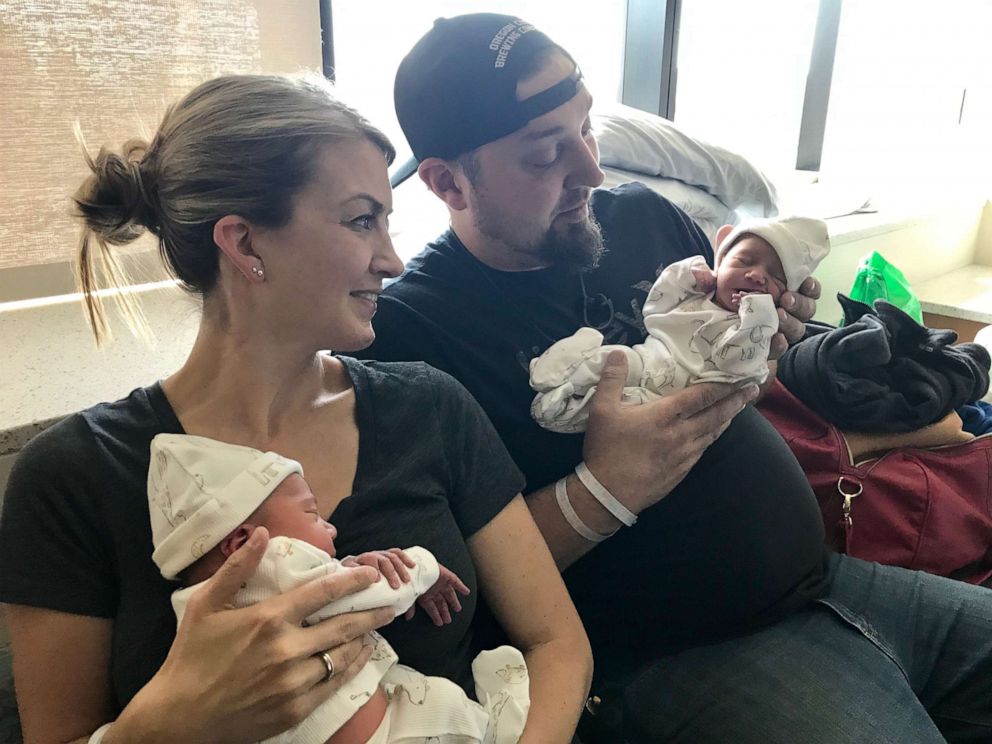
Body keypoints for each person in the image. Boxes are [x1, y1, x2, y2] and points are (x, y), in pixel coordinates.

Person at [358, 13, 992, 743]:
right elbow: (443, 592)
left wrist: (780, 345)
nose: (592, 170)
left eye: (587, 128)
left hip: (829, 580)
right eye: (545, 155)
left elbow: (745, 370)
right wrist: (604, 491)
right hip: (677, 656)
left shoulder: (644, 220)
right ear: (447, 182)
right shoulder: (408, 339)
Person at [0, 73, 590, 744]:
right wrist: (168, 723)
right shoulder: (74, 478)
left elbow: (555, 643)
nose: (393, 260)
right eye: (361, 219)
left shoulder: (430, 408)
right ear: (244, 244)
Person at [146, 432, 529, 744]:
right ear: (243, 543)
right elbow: (375, 595)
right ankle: (497, 724)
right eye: (312, 514)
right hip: (387, 734)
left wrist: (343, 566)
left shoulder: (190, 609)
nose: (332, 529)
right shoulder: (276, 559)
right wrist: (423, 568)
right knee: (446, 705)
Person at [529, 215, 830, 432]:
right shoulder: (693, 299)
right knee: (609, 359)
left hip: (672, 400)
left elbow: (737, 365)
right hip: (646, 360)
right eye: (744, 261)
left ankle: (558, 409)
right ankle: (555, 377)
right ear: (720, 261)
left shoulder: (750, 332)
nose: (756, 275)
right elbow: (656, 307)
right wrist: (687, 274)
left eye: (775, 277)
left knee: (609, 412)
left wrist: (756, 315)